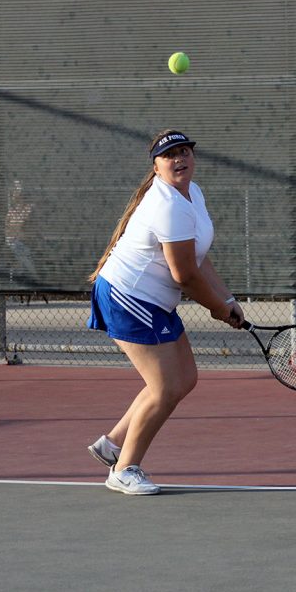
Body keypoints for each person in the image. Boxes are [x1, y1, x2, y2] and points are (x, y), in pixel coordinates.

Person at [86, 129, 244, 495]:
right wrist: (218, 309)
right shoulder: (167, 205)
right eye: (170, 154)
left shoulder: (192, 194)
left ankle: (112, 444)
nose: (180, 158)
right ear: (156, 166)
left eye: (185, 151)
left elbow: (197, 259)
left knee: (184, 379)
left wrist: (227, 297)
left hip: (154, 300)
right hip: (128, 296)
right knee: (163, 387)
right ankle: (124, 469)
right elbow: (184, 275)